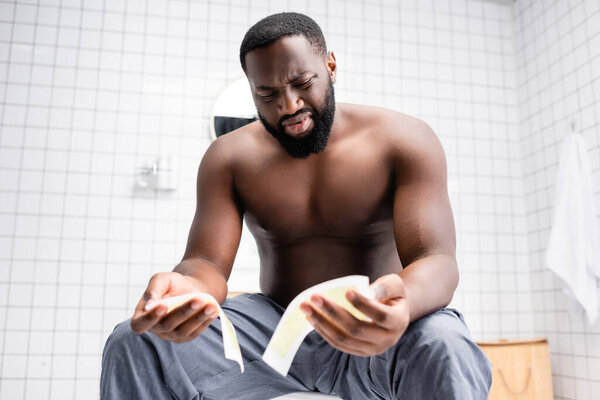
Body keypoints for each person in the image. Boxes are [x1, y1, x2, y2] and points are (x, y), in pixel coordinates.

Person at [101, 12, 492, 399]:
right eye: (266, 95)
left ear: (331, 66)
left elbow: (435, 258)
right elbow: (206, 263)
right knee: (135, 341)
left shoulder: (403, 139)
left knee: (444, 343)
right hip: (274, 332)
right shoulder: (228, 158)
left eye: (302, 83)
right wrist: (186, 290)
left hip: (371, 324)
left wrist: (402, 306)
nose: (289, 106)